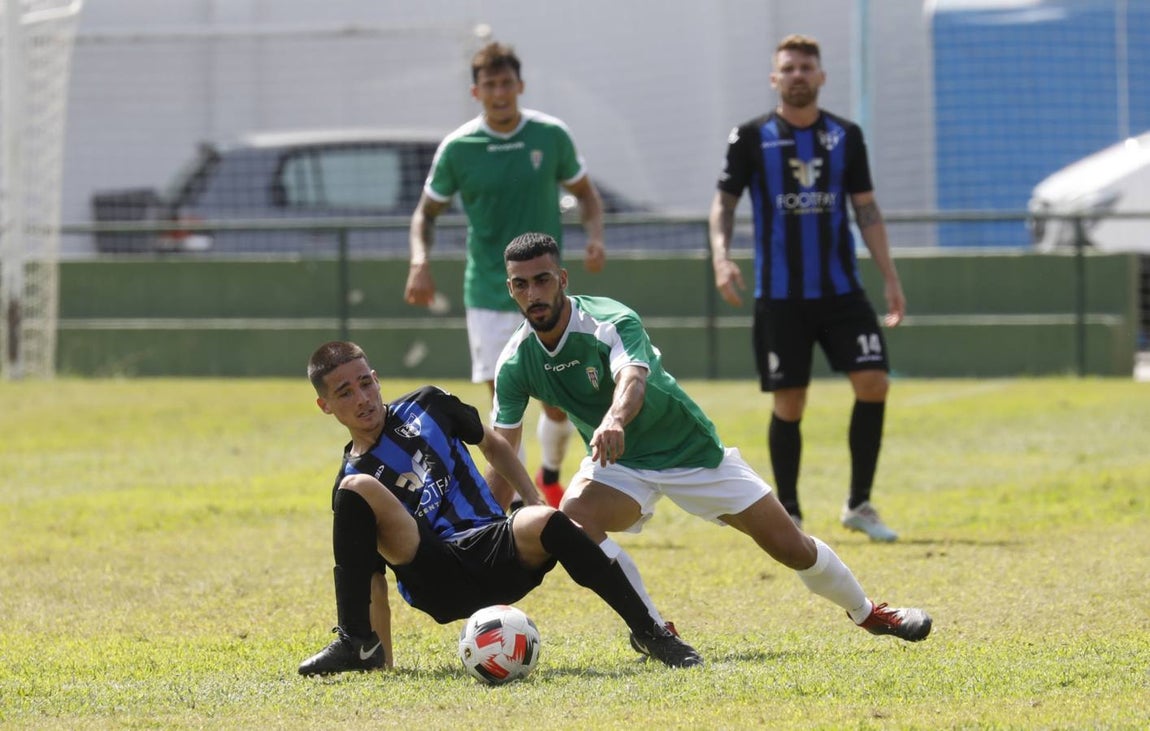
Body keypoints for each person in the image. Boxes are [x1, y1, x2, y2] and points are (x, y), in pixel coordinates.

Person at [486, 233, 931, 659]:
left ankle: (869, 613)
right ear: (510, 289)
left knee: (790, 546)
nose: (534, 293)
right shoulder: (514, 361)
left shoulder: (609, 321)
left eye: (543, 279)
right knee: (574, 521)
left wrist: (614, 420)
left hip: (689, 452)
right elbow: (503, 448)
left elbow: (633, 381)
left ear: (562, 279)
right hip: (619, 464)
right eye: (521, 284)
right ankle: (653, 629)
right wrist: (481, 525)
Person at [298, 340, 701, 676]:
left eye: (366, 383)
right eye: (345, 392)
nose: (363, 398)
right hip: (435, 577)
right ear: (325, 405)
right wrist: (382, 664)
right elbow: (373, 581)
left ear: (377, 379)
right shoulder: (354, 486)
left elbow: (492, 444)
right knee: (355, 486)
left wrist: (533, 497)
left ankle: (651, 633)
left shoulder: (429, 404)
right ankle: (358, 644)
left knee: (548, 520)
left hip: (493, 549)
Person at [707, 34, 907, 541]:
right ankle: (790, 513)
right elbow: (725, 204)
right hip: (780, 296)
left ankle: (859, 504)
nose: (797, 75)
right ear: (775, 79)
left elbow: (867, 208)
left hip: (842, 292)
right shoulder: (750, 137)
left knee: (874, 381)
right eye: (788, 68)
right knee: (789, 402)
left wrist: (889, 276)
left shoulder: (846, 135)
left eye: (806, 67)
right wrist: (722, 257)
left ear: (820, 77)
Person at [406, 40, 606, 509]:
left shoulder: (550, 135)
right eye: (490, 85)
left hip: (548, 291)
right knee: (505, 407)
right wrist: (420, 259)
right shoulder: (459, 148)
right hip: (490, 295)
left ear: (520, 85)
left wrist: (594, 234)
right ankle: (512, 504)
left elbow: (587, 194)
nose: (500, 93)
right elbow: (425, 213)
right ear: (477, 92)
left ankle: (550, 478)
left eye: (506, 84)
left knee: (556, 400)